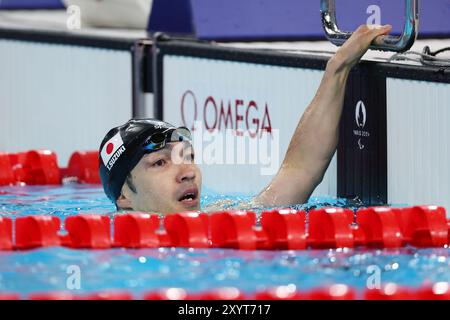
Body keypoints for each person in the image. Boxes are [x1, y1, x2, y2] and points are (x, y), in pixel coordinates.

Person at [99, 24, 392, 214]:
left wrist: (337, 68)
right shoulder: (112, 250)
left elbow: (300, 170)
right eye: (160, 163)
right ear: (124, 195)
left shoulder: (224, 218)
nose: (187, 172)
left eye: (186, 157)